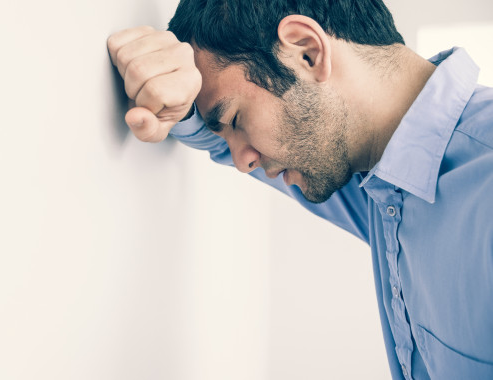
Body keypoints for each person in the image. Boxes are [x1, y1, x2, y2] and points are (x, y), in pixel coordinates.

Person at [107, 1, 493, 379]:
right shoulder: (381, 179)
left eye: (235, 119)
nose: (242, 161)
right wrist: (171, 96)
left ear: (307, 52)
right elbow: (214, 141)